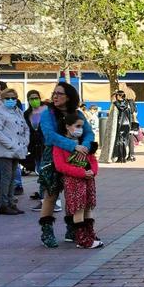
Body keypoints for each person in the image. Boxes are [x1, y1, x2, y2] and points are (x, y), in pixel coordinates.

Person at [37, 82, 95, 247]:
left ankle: (73, 229)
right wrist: (73, 146)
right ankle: (47, 232)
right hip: (53, 158)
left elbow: (89, 133)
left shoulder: (77, 114)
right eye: (54, 93)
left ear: (69, 97)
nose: (55, 96)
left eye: (60, 93)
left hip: (77, 158)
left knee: (75, 194)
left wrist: (85, 146)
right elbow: (49, 136)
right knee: (51, 195)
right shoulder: (48, 114)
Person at [52, 116, 103, 249]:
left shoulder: (84, 142)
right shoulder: (61, 145)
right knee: (78, 209)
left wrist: (92, 171)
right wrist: (81, 173)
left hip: (88, 180)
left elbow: (92, 159)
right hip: (74, 181)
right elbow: (60, 166)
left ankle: (89, 234)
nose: (80, 130)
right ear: (67, 127)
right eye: (77, 126)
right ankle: (82, 239)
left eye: (81, 126)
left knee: (88, 207)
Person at [0, 87, 30, 215]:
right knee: (6, 177)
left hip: (18, 149)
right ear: (2, 99)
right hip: (6, 150)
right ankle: (4, 204)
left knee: (14, 178)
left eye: (14, 98)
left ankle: (12, 203)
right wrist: (11, 145)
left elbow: (25, 128)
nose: (11, 100)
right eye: (8, 98)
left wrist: (25, 142)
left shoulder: (18, 111)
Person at [24, 91, 47, 202]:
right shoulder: (27, 113)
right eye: (31, 98)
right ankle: (43, 193)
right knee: (39, 170)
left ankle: (45, 196)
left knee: (45, 170)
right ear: (28, 100)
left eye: (36, 98)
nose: (34, 100)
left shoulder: (46, 109)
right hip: (35, 146)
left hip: (46, 144)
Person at [110, 91, 137, 163]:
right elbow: (134, 114)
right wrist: (134, 123)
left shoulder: (117, 103)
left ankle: (121, 157)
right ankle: (129, 156)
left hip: (121, 124)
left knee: (120, 140)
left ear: (118, 96)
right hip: (129, 124)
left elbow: (118, 111)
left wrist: (114, 100)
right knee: (128, 140)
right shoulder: (129, 103)